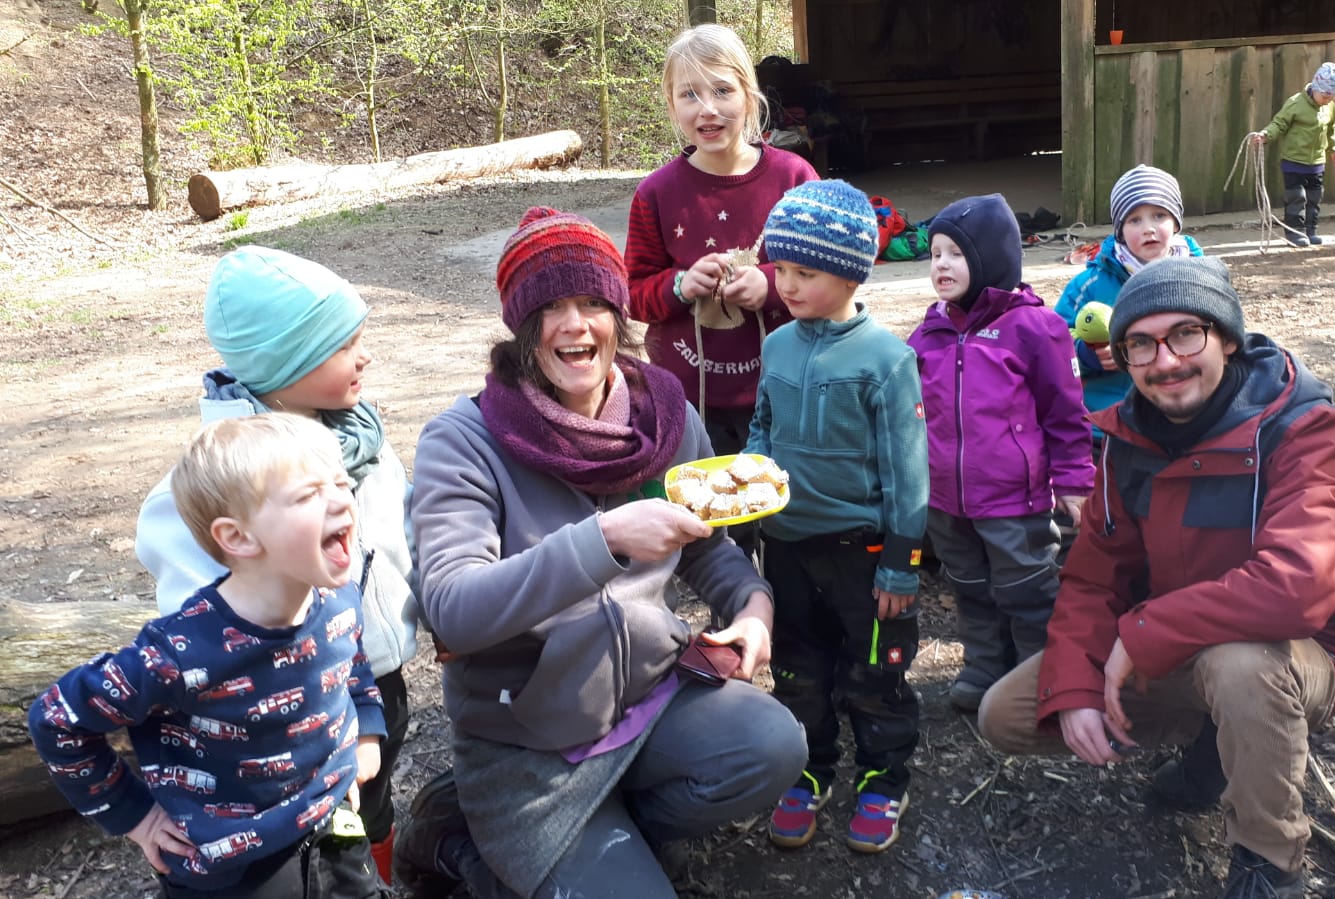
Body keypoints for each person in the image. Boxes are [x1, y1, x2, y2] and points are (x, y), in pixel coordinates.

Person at [396, 207, 806, 899]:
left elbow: (710, 547)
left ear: (618, 315)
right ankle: (462, 839)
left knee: (773, 746)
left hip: (649, 700)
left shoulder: (664, 415)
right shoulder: (464, 441)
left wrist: (752, 605)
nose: (574, 326)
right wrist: (604, 540)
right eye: (549, 309)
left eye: (592, 303)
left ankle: (609, 839)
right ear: (521, 327)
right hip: (527, 745)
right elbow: (454, 610)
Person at [979, 257, 1335, 899]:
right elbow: (1093, 578)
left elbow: (1300, 586)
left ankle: (1269, 862)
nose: (1165, 362)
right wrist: (1076, 684)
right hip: (1176, 645)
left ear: (1226, 338)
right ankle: (1217, 745)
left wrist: (1142, 636)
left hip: (1304, 653)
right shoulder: (1127, 438)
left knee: (1240, 667)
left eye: (1186, 335)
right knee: (1009, 714)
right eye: (1141, 344)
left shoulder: (1303, 427)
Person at [134, 245, 420, 882]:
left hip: (377, 677)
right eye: (344, 345)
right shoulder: (209, 492)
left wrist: (438, 612)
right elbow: (199, 625)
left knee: (371, 802)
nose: (365, 356)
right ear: (285, 362)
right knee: (303, 844)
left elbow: (405, 533)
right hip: (284, 711)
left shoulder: (363, 443)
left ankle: (374, 876)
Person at [30, 414, 389, 898]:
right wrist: (136, 816)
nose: (343, 500)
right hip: (230, 870)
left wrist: (365, 726)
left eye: (341, 483)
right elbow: (56, 719)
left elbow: (350, 656)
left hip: (333, 830)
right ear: (238, 537)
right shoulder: (179, 655)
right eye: (309, 495)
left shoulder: (336, 597)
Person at [748, 179, 929, 854]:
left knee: (875, 670)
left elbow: (908, 473)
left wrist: (902, 564)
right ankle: (808, 768)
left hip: (863, 552)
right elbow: (762, 426)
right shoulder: (776, 346)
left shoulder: (887, 360)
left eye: (806, 272)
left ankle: (883, 778)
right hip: (787, 544)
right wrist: (748, 479)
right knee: (798, 667)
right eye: (780, 269)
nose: (787, 285)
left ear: (851, 273)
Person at [906, 193, 1095, 714]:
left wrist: (1075, 481)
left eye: (956, 253)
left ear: (991, 257)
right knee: (968, 584)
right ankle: (984, 665)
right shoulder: (929, 333)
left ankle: (1040, 675)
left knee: (1026, 587)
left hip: (1015, 498)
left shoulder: (1034, 328)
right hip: (946, 499)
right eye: (935, 254)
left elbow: (1065, 412)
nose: (941, 265)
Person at [624, 22, 817, 482]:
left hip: (788, 394)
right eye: (689, 94)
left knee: (785, 510)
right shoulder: (656, 193)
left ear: (749, 95)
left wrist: (770, 285)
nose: (707, 108)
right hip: (689, 406)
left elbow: (831, 275)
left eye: (722, 90)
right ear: (671, 104)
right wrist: (680, 285)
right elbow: (632, 294)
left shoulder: (794, 179)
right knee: (707, 516)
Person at [1054, 164, 1203, 416]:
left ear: (1176, 222)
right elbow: (1054, 342)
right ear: (1120, 232)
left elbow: (1225, 336)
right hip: (1113, 415)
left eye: (1159, 215)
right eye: (1134, 220)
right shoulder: (1091, 284)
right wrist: (1087, 355)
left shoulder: (1200, 275)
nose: (1148, 228)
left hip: (1185, 411)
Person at [1250, 62, 1335, 247]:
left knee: (1314, 197)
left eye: (1332, 97)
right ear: (1316, 87)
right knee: (1296, 197)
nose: (1328, 100)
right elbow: (1279, 123)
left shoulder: (1330, 107)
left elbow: (1330, 129)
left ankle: (1311, 229)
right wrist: (1266, 135)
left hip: (1316, 163)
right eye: (1325, 96)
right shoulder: (1295, 103)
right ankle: (1295, 232)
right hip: (1294, 161)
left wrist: (1333, 148)